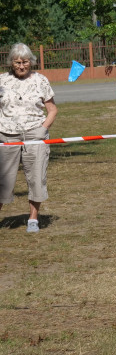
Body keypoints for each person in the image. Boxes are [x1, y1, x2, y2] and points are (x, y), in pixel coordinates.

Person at [0, 44, 57, 233]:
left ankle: (33, 218)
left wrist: (43, 129)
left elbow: (52, 110)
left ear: (31, 62)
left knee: (36, 176)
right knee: (4, 178)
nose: (21, 66)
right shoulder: (2, 80)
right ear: (11, 63)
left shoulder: (40, 80)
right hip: (7, 134)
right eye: (17, 62)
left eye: (25, 62)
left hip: (34, 133)